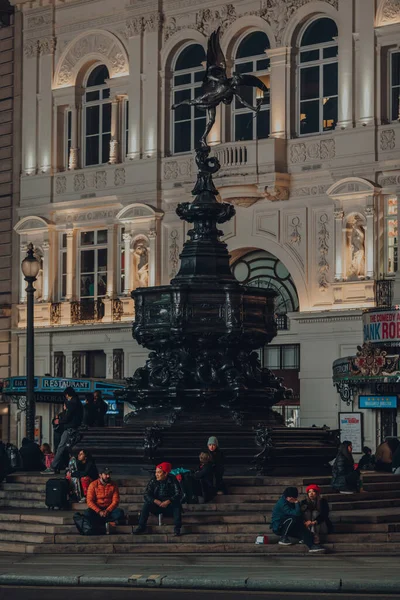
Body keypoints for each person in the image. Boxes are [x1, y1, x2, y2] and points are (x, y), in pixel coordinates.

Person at [41, 386, 83, 475]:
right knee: (65, 448)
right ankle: (63, 466)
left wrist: (59, 420)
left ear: (67, 395)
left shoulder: (71, 403)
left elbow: (68, 417)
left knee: (61, 447)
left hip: (70, 428)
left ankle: (53, 467)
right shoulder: (78, 402)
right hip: (74, 428)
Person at [133, 462, 182, 537]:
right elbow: (146, 495)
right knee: (147, 504)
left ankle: (177, 529)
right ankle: (141, 527)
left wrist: (169, 501)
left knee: (177, 504)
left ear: (165, 473)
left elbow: (178, 494)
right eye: (156, 472)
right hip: (157, 505)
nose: (156, 474)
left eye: (159, 472)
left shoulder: (172, 479)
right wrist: (155, 501)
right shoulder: (153, 480)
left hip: (169, 506)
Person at [271, 486, 325, 553]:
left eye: (291, 497)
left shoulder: (292, 502)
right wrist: (296, 503)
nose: (289, 498)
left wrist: (305, 526)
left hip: (291, 526)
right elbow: (296, 514)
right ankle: (283, 538)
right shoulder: (282, 502)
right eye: (288, 497)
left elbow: (299, 515)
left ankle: (312, 546)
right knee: (293, 518)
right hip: (279, 527)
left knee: (305, 531)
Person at [84, 468, 125, 534]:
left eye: (109, 474)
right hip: (97, 510)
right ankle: (106, 523)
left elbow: (116, 501)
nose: (108, 476)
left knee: (120, 512)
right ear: (100, 475)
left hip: (109, 510)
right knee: (87, 513)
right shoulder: (93, 485)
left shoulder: (114, 485)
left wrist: (107, 511)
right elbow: (89, 501)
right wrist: (99, 511)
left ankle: (102, 523)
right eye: (106, 474)